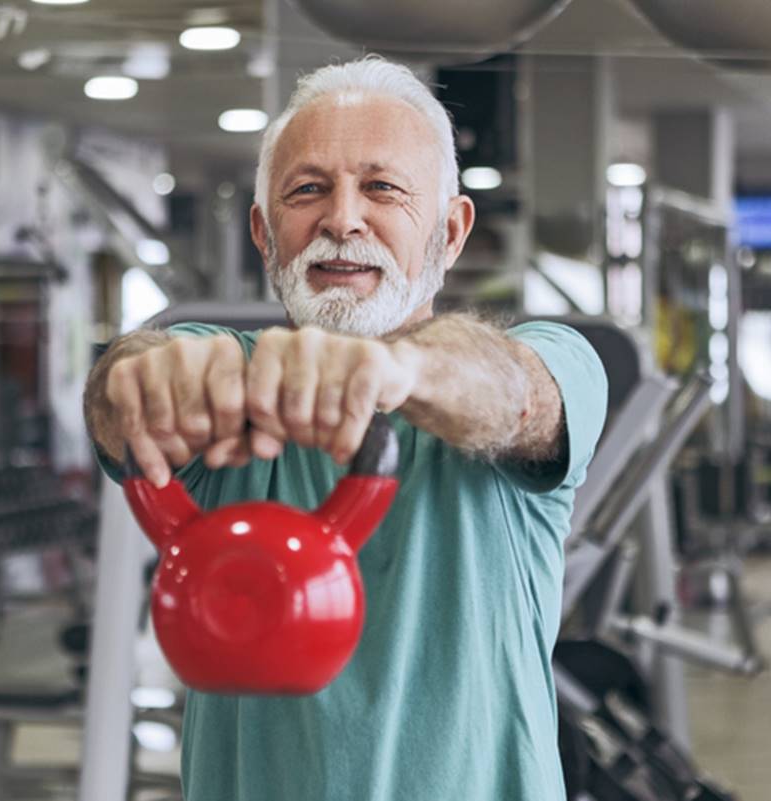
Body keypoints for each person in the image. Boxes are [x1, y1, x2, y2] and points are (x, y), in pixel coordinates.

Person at [83, 56, 608, 801]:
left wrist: (400, 374)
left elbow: (514, 393)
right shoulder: (234, 377)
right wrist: (134, 377)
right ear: (265, 234)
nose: (342, 218)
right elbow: (127, 387)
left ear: (451, 233)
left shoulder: (552, 362)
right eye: (308, 189)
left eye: (383, 187)